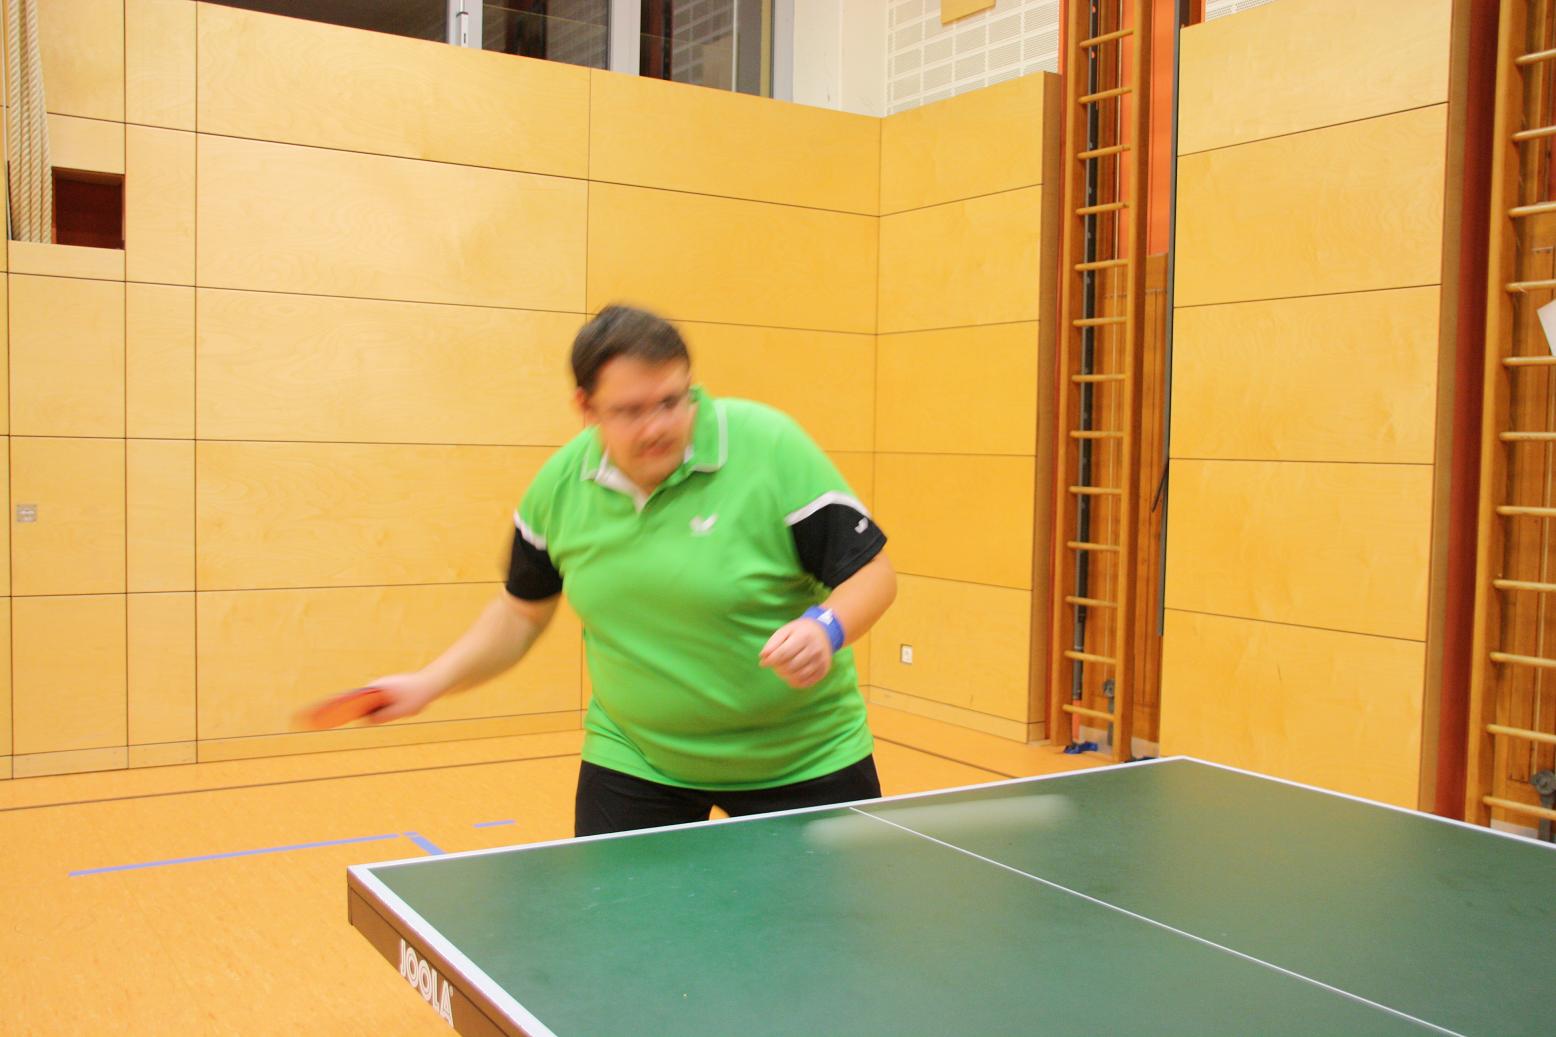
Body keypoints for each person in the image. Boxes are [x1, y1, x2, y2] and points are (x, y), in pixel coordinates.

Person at [365, 304, 898, 836]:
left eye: (671, 401)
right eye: (630, 410)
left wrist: (825, 628)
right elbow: (520, 615)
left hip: (805, 758)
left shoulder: (769, 447)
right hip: (638, 760)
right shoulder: (560, 488)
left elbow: (873, 573)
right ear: (586, 406)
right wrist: (429, 683)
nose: (657, 427)